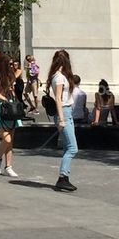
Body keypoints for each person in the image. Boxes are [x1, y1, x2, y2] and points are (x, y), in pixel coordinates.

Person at [47, 49, 78, 191]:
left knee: (67, 147)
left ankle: (65, 177)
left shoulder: (59, 76)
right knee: (73, 148)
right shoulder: (59, 77)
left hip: (66, 111)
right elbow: (58, 99)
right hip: (64, 112)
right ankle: (62, 176)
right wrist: (61, 119)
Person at [0, 54, 20, 178]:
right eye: (9, 64)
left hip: (11, 106)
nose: (11, 66)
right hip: (0, 106)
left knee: (10, 139)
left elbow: (19, 71)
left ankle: (9, 166)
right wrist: (3, 98)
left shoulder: (9, 75)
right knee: (6, 138)